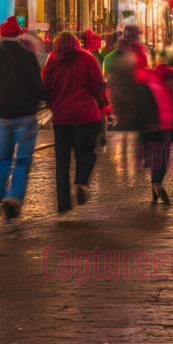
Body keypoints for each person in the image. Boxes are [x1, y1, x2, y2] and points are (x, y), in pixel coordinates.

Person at [42, 32, 109, 213]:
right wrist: (104, 107)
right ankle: (81, 183)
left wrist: (54, 105)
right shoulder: (87, 59)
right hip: (86, 116)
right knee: (86, 153)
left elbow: (45, 88)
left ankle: (63, 203)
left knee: (62, 162)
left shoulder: (51, 62)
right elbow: (97, 86)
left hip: (62, 119)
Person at [0, 16, 46, 220]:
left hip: (1, 116)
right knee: (22, 159)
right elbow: (38, 85)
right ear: (19, 35)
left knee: (1, 158)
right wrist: (48, 99)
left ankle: (0, 194)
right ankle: (14, 198)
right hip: (25, 115)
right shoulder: (27, 56)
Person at [137, 61, 173, 204]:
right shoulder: (165, 86)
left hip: (150, 126)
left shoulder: (150, 80)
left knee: (156, 158)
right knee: (161, 158)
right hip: (163, 127)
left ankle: (155, 191)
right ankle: (157, 185)